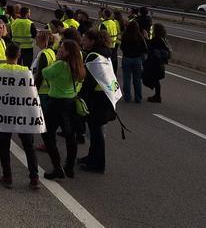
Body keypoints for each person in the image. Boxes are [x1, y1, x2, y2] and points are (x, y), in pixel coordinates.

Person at [0, 43, 42, 190]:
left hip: (5, 113)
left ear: (5, 55)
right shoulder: (25, 72)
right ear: (19, 55)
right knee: (29, 146)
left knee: (4, 145)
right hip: (22, 113)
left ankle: (7, 177)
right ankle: (34, 178)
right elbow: (31, 94)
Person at [41, 39, 85, 179]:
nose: (59, 49)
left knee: (47, 134)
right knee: (70, 136)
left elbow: (45, 73)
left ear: (67, 52)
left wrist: (57, 60)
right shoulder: (78, 66)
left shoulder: (60, 65)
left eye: (62, 48)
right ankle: (69, 167)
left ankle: (57, 166)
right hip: (71, 102)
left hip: (57, 102)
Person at [78, 29, 117, 173]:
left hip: (97, 99)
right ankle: (92, 157)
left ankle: (98, 164)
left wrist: (80, 94)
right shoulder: (104, 53)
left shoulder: (93, 56)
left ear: (93, 41)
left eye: (85, 39)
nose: (83, 41)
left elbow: (89, 79)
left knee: (96, 132)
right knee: (95, 131)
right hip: (104, 97)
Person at [120, 21, 147, 103]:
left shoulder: (125, 35)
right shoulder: (140, 36)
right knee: (137, 79)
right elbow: (145, 49)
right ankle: (138, 97)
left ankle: (127, 96)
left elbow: (122, 47)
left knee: (127, 78)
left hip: (127, 58)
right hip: (137, 59)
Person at [143, 23, 170, 103]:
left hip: (155, 63)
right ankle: (157, 95)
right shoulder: (162, 39)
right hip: (159, 63)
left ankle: (157, 96)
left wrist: (146, 38)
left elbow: (149, 47)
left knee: (149, 78)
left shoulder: (156, 40)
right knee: (155, 79)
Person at [99, 8, 121, 74]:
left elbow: (102, 36)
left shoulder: (103, 24)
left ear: (104, 14)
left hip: (106, 45)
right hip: (114, 45)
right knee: (113, 62)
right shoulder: (113, 22)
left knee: (106, 64)